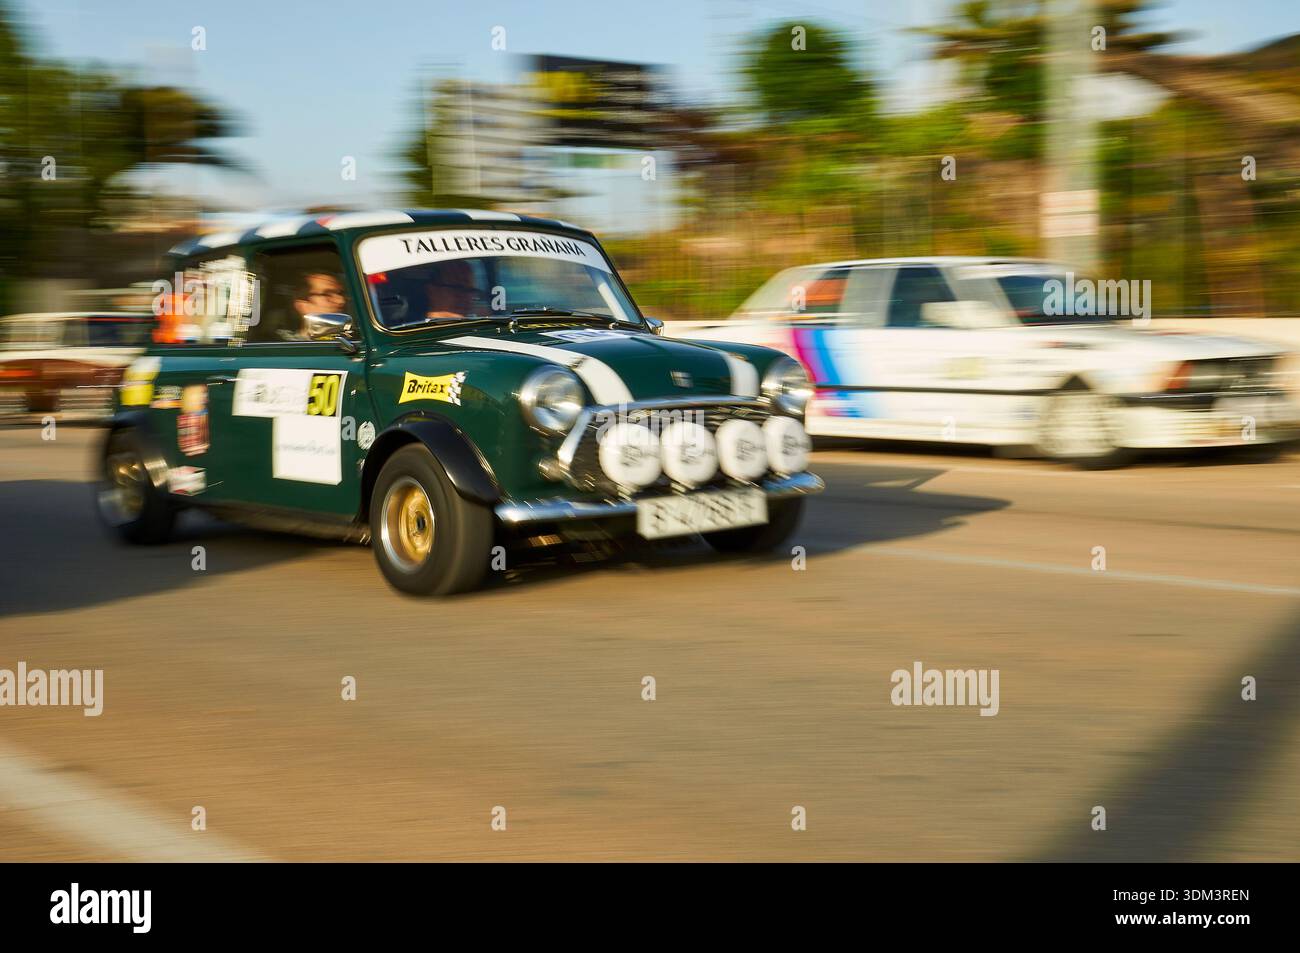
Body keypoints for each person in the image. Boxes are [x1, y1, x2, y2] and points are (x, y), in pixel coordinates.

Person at [283, 272, 347, 340]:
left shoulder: (353, 339)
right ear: (303, 306)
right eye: (327, 294)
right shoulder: (285, 346)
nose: (341, 301)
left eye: (341, 293)